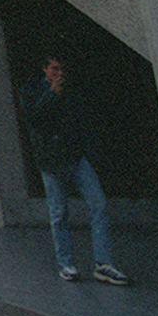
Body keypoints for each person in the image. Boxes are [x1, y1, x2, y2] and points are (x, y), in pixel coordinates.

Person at [22, 53, 130, 285]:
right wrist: (52, 94)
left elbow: (82, 120)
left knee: (98, 204)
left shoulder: (72, 92)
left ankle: (104, 263)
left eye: (61, 70)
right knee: (59, 213)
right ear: (45, 70)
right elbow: (34, 118)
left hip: (76, 157)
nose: (59, 74)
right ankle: (66, 263)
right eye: (54, 69)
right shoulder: (33, 91)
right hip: (51, 160)